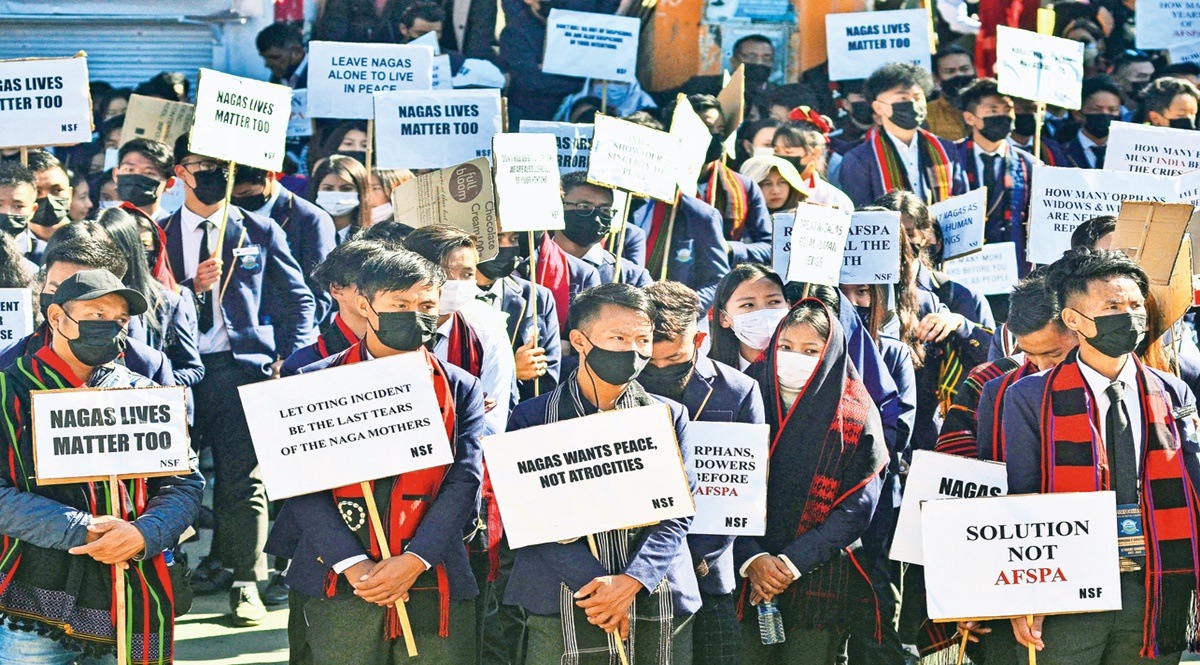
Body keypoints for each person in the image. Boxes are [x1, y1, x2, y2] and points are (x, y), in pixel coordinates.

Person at [266, 248, 485, 664]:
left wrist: (414, 560)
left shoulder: (461, 387)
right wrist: (352, 565)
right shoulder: (313, 381)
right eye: (399, 305)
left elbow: (465, 481)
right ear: (365, 305)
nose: (414, 315)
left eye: (426, 305)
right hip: (338, 575)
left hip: (432, 571)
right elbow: (301, 486)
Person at [1003, 247, 1200, 663]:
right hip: (1070, 591)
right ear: (1074, 320)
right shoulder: (1030, 396)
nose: (1129, 316)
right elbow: (1022, 501)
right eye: (1113, 306)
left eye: (1135, 305)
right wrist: (1023, 594)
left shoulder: (1172, 391)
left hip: (1155, 585)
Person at [0, 268, 203, 663]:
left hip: (130, 592)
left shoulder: (144, 392)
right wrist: (82, 530)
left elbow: (184, 483)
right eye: (95, 316)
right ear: (57, 318)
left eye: (121, 320)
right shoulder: (9, 391)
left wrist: (145, 532)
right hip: (32, 599)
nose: (110, 327)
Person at [160, 134, 315, 625]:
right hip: (177, 373)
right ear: (181, 172)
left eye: (220, 166)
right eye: (200, 165)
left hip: (240, 368)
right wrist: (189, 287)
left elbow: (301, 301)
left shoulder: (259, 230)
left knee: (242, 478)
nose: (211, 175)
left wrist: (288, 360)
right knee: (169, 476)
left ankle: (247, 581)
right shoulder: (159, 232)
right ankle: (172, 572)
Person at [505, 283, 698, 664]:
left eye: (643, 338)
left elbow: (679, 512)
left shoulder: (668, 415)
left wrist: (631, 581)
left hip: (654, 592)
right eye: (618, 337)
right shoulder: (532, 418)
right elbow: (530, 519)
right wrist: (599, 589)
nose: (632, 350)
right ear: (579, 340)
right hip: (562, 595)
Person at [737, 299, 887, 663]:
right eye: (786, 347)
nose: (794, 357)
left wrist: (791, 563)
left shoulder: (856, 410)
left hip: (819, 577)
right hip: (743, 572)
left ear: (831, 351)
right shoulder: (743, 394)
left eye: (810, 350)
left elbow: (859, 504)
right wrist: (752, 557)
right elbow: (720, 484)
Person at [643, 280, 765, 665]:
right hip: (635, 568)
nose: (660, 369)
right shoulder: (619, 383)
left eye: (673, 360)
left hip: (708, 571)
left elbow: (744, 486)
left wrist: (697, 555)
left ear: (698, 338)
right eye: (651, 360)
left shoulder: (739, 391)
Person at [937, 270, 1077, 462]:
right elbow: (954, 463)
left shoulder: (1104, 376)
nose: (1043, 367)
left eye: (1053, 354)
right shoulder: (988, 379)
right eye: (1030, 355)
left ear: (1079, 329)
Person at [0, 234, 174, 387]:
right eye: (54, 290)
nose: (61, 300)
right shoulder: (8, 363)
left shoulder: (147, 366)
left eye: (80, 294)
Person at [402, 224, 515, 435]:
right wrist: (465, 414)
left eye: (466, 274)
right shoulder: (381, 331)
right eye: (444, 273)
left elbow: (490, 426)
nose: (455, 284)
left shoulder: (486, 334)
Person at [95, 207, 204, 391]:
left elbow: (192, 368)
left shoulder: (168, 302)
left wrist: (153, 384)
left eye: (113, 249)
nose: (105, 258)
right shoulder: (84, 301)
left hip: (155, 410)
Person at [839, 63, 968, 208]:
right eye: (903, 98)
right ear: (878, 107)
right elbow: (862, 217)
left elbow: (962, 205)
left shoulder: (946, 149)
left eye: (918, 97)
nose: (912, 104)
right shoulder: (860, 159)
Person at [954, 78, 1038, 274]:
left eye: (1007, 110)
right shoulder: (949, 157)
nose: (1002, 116)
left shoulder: (1029, 164)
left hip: (1011, 264)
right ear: (970, 118)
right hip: (964, 263)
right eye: (993, 111)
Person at [233, 166, 337, 325]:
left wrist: (295, 337)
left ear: (270, 175)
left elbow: (321, 290)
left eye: (246, 194)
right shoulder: (233, 215)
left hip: (288, 333)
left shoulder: (310, 219)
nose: (240, 200)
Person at [679, 95, 774, 266]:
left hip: (725, 278)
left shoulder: (745, 186)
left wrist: (729, 248)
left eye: (720, 130)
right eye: (707, 128)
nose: (715, 135)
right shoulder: (663, 184)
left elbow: (768, 246)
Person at [499, 0, 621, 126]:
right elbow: (530, 80)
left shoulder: (581, 28)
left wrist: (549, 69)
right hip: (534, 118)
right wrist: (582, 77)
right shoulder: (515, 32)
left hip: (575, 111)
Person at [282, 239, 391, 377]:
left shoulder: (418, 349)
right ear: (337, 289)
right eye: (371, 282)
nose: (383, 292)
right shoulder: (302, 365)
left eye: (390, 285)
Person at [475, 232, 561, 400]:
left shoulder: (537, 297)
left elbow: (548, 377)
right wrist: (511, 370)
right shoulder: (448, 297)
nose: (507, 247)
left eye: (513, 239)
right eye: (497, 239)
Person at [553, 171, 651, 286]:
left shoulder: (631, 278)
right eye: (584, 207)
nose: (595, 218)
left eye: (605, 210)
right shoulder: (531, 265)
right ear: (558, 207)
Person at [709, 263, 789, 371]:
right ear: (723, 317)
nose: (763, 312)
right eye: (748, 305)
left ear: (789, 306)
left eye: (774, 301)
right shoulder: (711, 376)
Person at [771, 121, 855, 210]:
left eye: (788, 152)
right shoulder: (768, 192)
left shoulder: (834, 198)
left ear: (815, 153)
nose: (781, 157)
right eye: (776, 151)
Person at [683, 34, 776, 102]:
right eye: (751, 56)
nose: (759, 62)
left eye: (766, 57)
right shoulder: (700, 87)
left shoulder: (778, 94)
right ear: (734, 61)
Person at [1062, 76, 1124, 169]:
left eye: (1112, 110)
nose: (1105, 114)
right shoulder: (1060, 153)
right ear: (1077, 114)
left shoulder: (1125, 155)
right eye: (1096, 109)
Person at [311, 154, 371, 243]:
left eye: (346, 189)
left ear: (361, 191)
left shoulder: (374, 237)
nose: (336, 194)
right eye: (328, 188)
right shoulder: (302, 233)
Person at [114, 138, 174, 225]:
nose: (137, 177)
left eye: (149, 173)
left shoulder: (176, 229)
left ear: (169, 183)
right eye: (130, 169)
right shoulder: (100, 227)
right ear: (115, 174)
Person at [0, 162, 47, 268]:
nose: (7, 212)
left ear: (33, 210)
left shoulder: (43, 254)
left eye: (18, 206)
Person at [926, 45, 976, 142]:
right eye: (950, 71)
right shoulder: (928, 114)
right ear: (936, 78)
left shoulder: (994, 106)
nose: (959, 75)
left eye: (965, 69)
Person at [25, 150, 75, 242]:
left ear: (70, 194)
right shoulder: (10, 247)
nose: (48, 199)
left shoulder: (90, 240)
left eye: (56, 190)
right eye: (37, 192)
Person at [739, 155, 806, 213]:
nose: (776, 191)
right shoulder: (736, 222)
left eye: (782, 182)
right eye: (767, 184)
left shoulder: (807, 218)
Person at [257, 21, 308, 88]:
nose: (267, 64)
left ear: (297, 52)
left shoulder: (318, 74)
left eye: (274, 57)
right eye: (265, 58)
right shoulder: (278, 76)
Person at [1111, 50, 1157, 120]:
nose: (1148, 81)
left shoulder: (1159, 111)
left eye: (1151, 76)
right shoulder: (1106, 111)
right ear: (1117, 80)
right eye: (1141, 76)